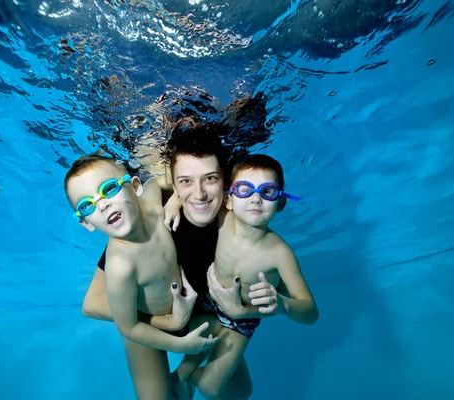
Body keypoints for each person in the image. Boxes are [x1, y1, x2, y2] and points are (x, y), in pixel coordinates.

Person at [81, 122, 260, 399]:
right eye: (185, 182)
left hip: (200, 317)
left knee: (240, 390)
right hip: (148, 321)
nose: (199, 194)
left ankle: (184, 379)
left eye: (211, 179)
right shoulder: (147, 223)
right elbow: (93, 304)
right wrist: (167, 322)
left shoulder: (239, 217)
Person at [64, 153, 221, 398]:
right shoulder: (120, 266)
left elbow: (157, 182)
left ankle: (182, 377)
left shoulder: (151, 204)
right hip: (144, 329)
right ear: (86, 223)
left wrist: (176, 200)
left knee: (226, 326)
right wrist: (179, 341)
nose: (102, 204)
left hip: (187, 314)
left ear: (134, 187)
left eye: (108, 189)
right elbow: (129, 326)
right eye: (87, 204)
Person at [170, 154, 319, 399]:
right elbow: (193, 194)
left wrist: (281, 304)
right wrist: (172, 203)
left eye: (268, 191)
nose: (256, 198)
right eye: (244, 189)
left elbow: (311, 313)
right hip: (206, 304)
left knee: (224, 390)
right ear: (228, 199)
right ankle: (180, 378)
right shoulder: (223, 218)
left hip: (240, 322)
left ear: (280, 202)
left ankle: (185, 378)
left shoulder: (280, 253)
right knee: (217, 380)